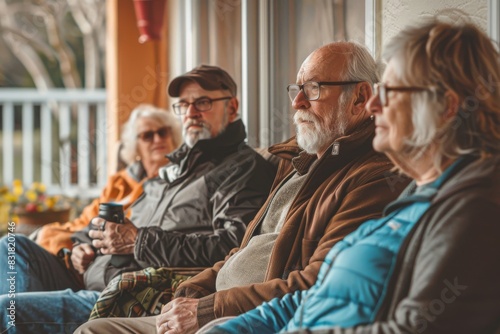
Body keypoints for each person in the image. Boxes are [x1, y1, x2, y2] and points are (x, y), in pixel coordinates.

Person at [75, 41, 411, 334]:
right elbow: (242, 250)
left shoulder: (372, 177)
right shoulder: (297, 163)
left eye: (314, 89)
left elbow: (318, 283)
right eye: (297, 91)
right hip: (209, 304)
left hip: (246, 318)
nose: (297, 104)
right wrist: (190, 293)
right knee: (95, 329)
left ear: (360, 98)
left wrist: (206, 309)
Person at [198, 15, 500, 334]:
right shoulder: (415, 198)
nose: (374, 104)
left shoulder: (473, 209)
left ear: (446, 107)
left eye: (393, 90)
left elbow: (415, 328)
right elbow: (313, 296)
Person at [0, 65, 276, 333]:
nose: (191, 112)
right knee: (13, 246)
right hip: (91, 275)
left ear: (232, 107)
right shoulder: (175, 169)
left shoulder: (240, 167)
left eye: (203, 102)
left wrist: (138, 241)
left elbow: (231, 245)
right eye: (183, 104)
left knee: (6, 309)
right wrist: (81, 249)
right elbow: (121, 224)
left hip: (126, 295)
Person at [34, 104, 182, 256]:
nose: (157, 139)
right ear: (136, 146)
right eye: (147, 135)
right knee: (30, 239)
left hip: (116, 252)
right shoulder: (119, 181)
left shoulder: (179, 179)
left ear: (173, 136)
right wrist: (54, 235)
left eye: (163, 132)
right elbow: (87, 218)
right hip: (87, 241)